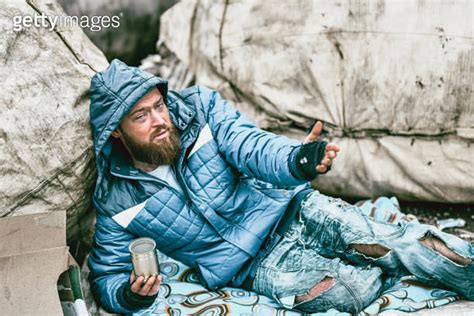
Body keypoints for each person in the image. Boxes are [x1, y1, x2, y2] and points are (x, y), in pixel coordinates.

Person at [88, 59, 473, 314]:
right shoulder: (115, 201)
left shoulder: (200, 112)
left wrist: (297, 160)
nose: (160, 120)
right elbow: (107, 276)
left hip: (295, 211)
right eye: (142, 116)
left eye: (160, 105)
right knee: (347, 293)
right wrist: (130, 295)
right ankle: (367, 262)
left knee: (405, 244)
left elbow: (252, 146)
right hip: (254, 269)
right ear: (117, 134)